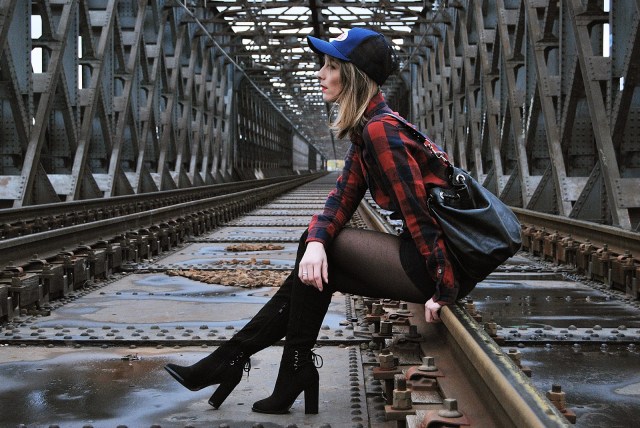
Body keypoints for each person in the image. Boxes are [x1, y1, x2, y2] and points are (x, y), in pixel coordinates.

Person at [164, 27, 476, 415]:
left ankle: (248, 363)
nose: (320, 74)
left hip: (441, 265)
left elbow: (421, 217)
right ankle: (259, 365)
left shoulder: (381, 130)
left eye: (331, 66)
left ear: (354, 75)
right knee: (317, 255)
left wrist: (444, 287)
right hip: (432, 258)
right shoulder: (369, 127)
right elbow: (342, 197)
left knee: (325, 250)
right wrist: (315, 242)